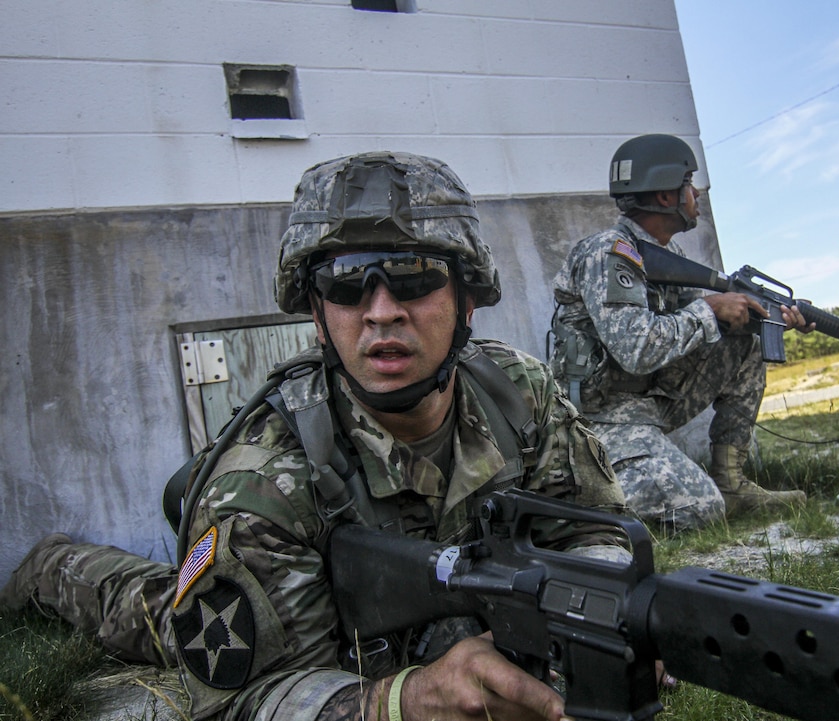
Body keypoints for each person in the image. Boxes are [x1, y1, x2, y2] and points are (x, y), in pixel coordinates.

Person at [1, 151, 631, 721]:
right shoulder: (259, 484)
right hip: (271, 577)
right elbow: (239, 703)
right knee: (149, 610)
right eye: (346, 283)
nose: (382, 310)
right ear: (317, 314)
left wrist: (611, 620)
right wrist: (401, 703)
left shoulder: (517, 394)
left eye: (414, 274)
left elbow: (594, 529)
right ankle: (48, 565)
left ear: (467, 299)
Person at [550, 134, 813, 532]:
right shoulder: (609, 254)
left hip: (651, 404)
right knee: (701, 509)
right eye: (688, 183)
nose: (696, 194)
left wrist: (768, 316)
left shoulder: (670, 258)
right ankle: (570, 502)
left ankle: (733, 484)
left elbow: (698, 329)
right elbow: (636, 349)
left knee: (746, 345)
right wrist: (709, 308)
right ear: (664, 196)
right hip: (599, 420)